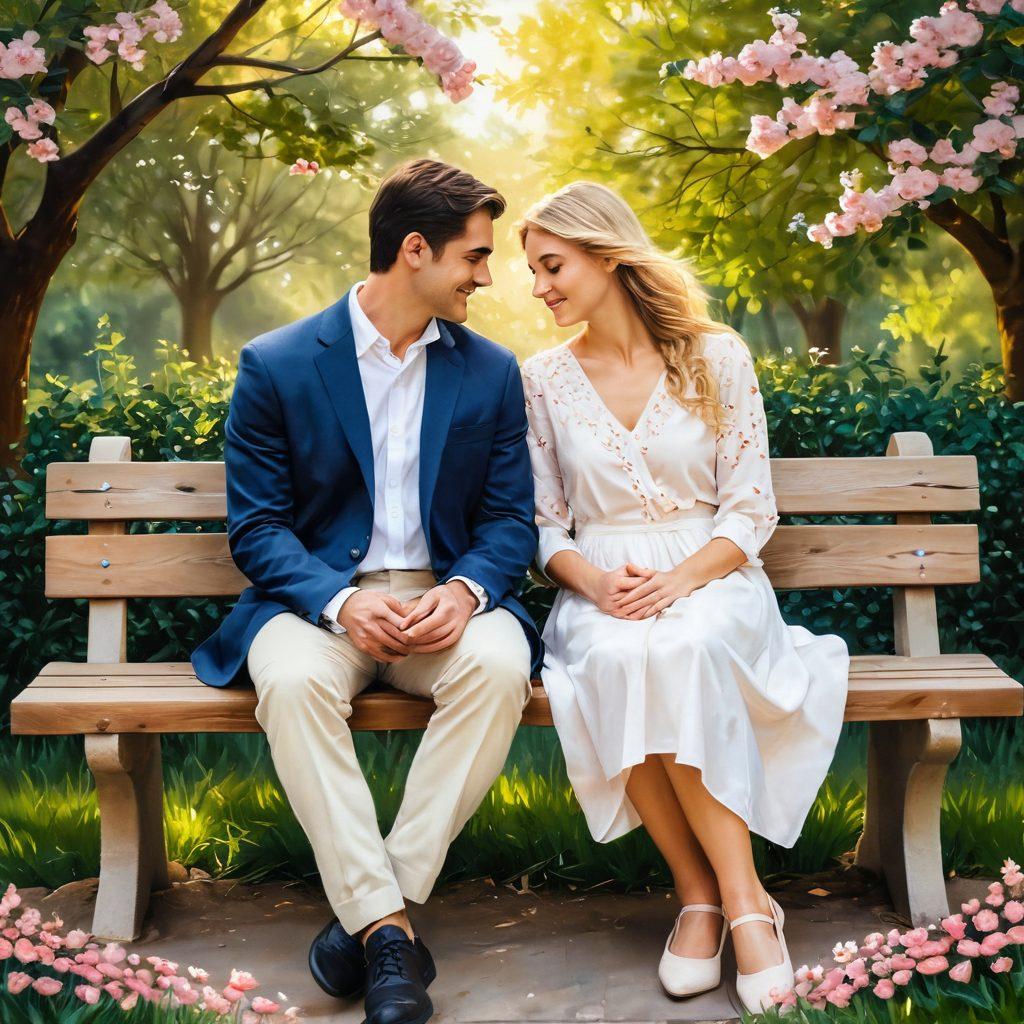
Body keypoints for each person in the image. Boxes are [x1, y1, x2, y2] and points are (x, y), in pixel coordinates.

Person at [191, 158, 541, 1024]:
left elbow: (510, 524)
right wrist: (341, 602)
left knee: (500, 666)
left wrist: (465, 592)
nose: (486, 278)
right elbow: (259, 529)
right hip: (317, 607)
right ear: (415, 251)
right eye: (475, 257)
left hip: (443, 605)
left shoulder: (491, 372)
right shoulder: (276, 364)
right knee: (295, 681)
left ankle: (365, 926)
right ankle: (392, 935)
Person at [518, 181, 850, 1015]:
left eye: (553, 266)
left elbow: (750, 507)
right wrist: (593, 582)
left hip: (714, 576)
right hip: (602, 583)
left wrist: (683, 578)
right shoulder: (543, 380)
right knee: (620, 654)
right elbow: (544, 524)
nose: (539, 287)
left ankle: (743, 907)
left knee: (683, 645)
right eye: (533, 271)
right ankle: (702, 894)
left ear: (606, 254)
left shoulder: (717, 356)